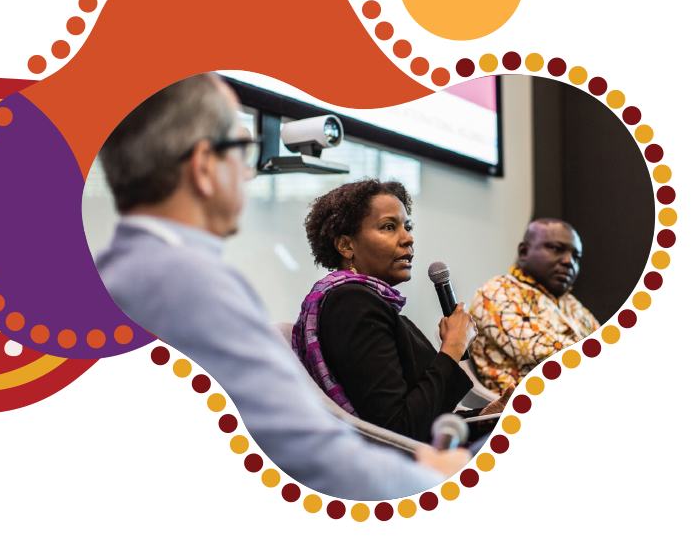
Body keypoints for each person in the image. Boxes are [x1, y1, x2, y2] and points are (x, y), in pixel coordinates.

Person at [94, 72, 471, 501]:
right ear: (203, 167)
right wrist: (453, 476)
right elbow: (316, 453)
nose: (249, 174)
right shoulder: (188, 285)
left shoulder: (114, 272)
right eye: (243, 149)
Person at [295, 180, 515, 445]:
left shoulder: (366, 302)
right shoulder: (351, 304)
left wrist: (484, 417)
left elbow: (418, 412)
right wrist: (453, 348)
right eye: (389, 227)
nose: (408, 238)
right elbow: (398, 430)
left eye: (407, 227)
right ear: (346, 245)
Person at [467, 218, 599, 394]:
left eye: (576, 257)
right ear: (524, 251)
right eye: (556, 249)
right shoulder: (498, 292)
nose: (569, 262)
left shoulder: (570, 304)